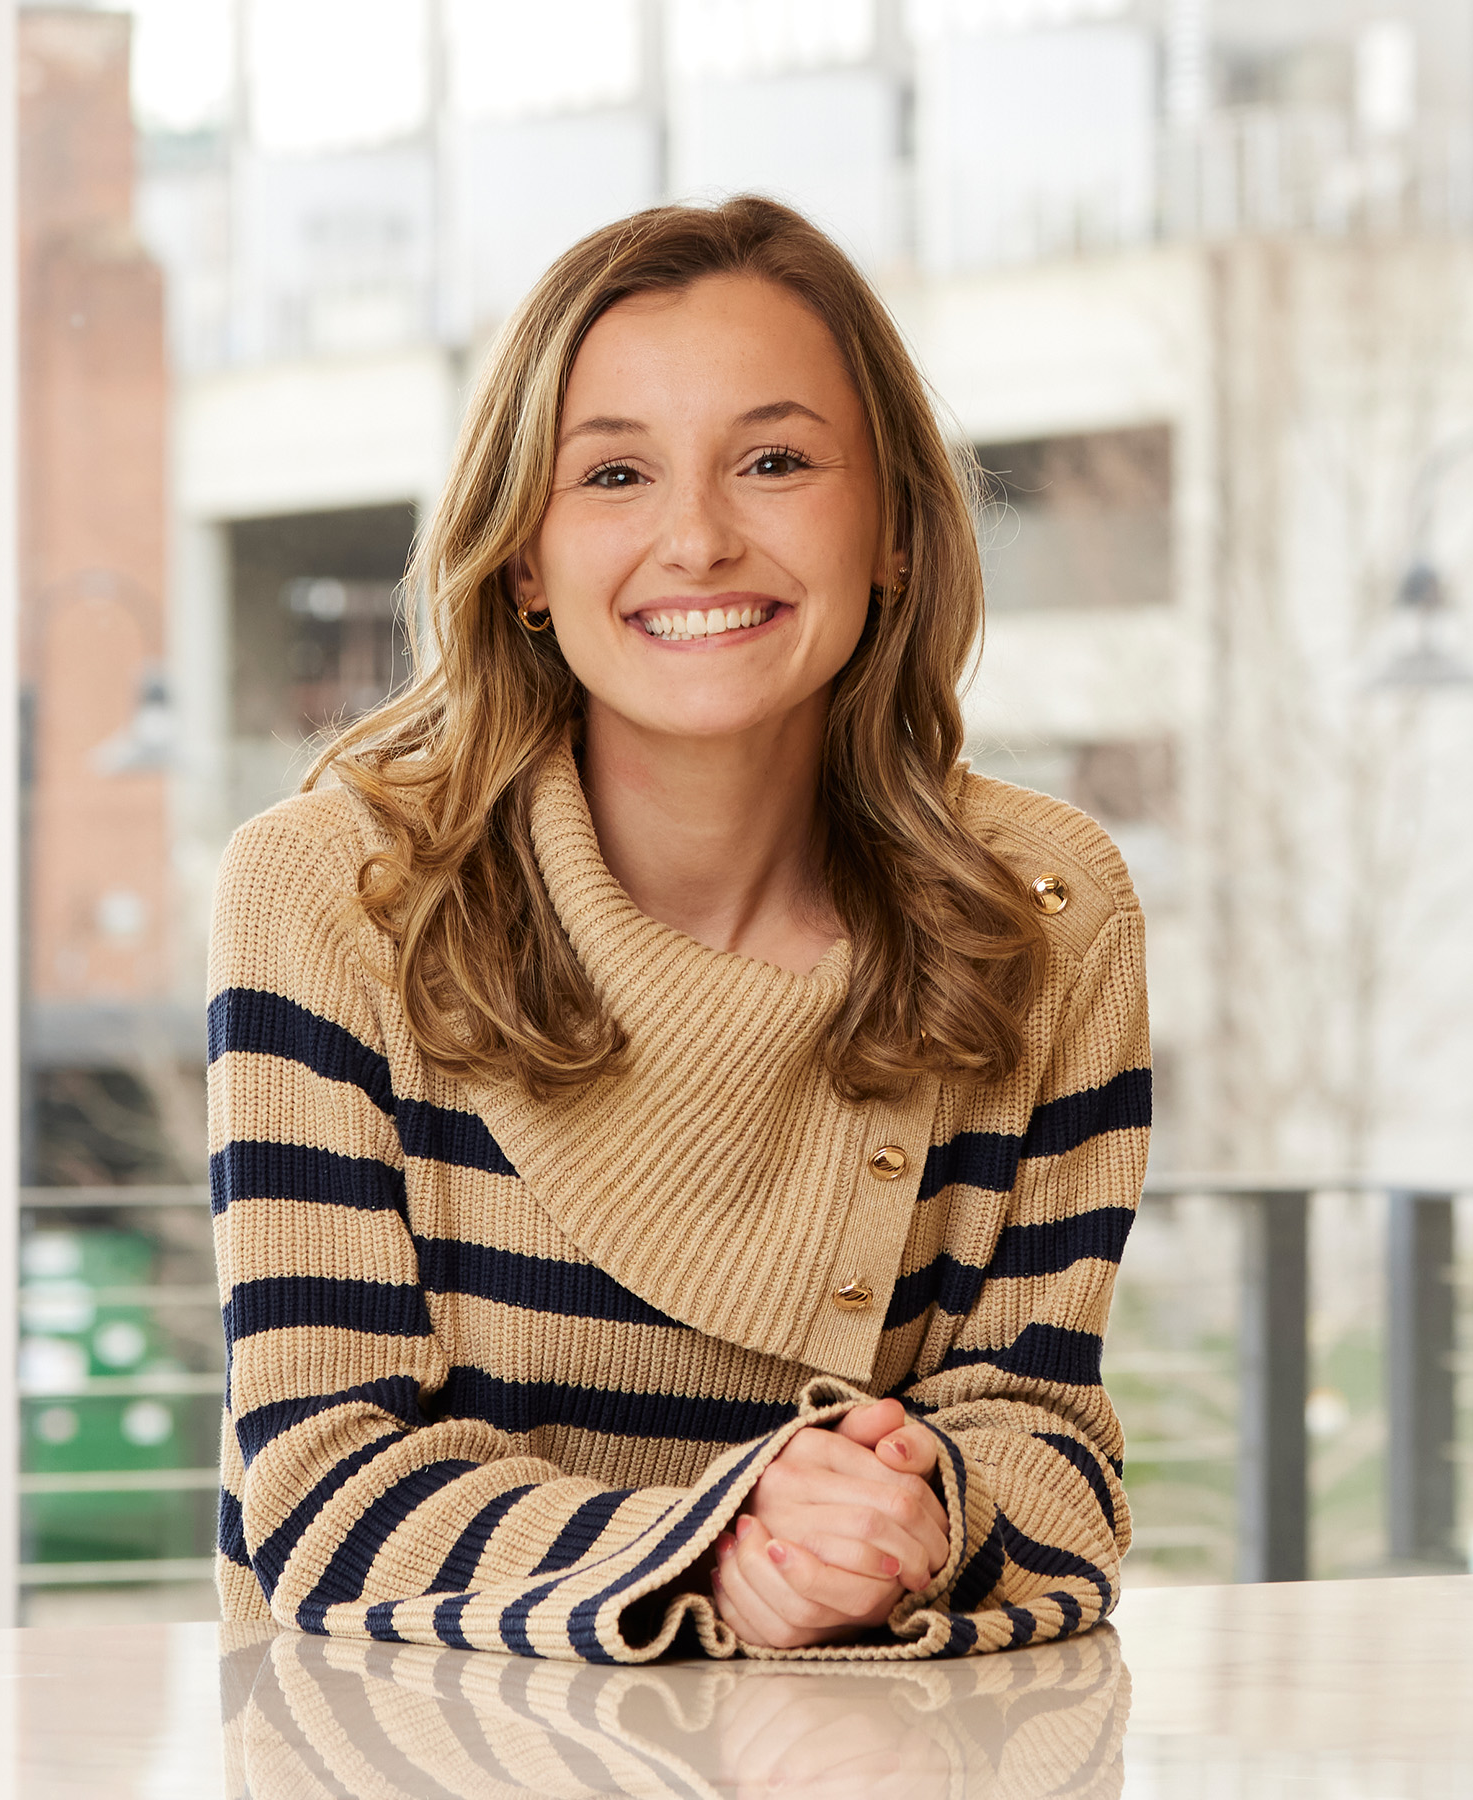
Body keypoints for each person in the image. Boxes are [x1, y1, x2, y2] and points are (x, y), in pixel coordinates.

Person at [208, 195, 1150, 1662]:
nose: (699, 538)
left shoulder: (1042, 913)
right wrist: (719, 1553)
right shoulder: (335, 896)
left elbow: (1049, 1451)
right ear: (525, 559)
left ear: (894, 526)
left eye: (775, 462)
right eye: (615, 474)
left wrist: (912, 1527)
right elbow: (322, 1492)